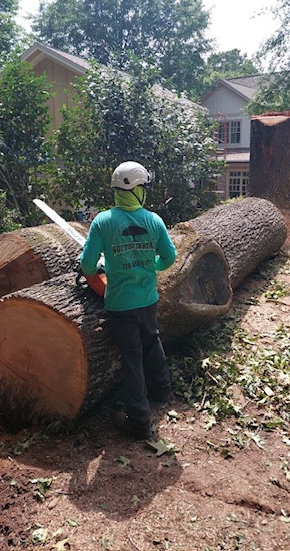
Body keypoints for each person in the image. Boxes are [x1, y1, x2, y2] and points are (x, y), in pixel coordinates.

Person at [80, 161, 177, 440]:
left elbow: (88, 266)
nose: (145, 191)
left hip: (120, 305)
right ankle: (162, 392)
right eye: (143, 187)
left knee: (132, 358)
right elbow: (169, 258)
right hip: (148, 300)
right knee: (152, 340)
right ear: (135, 190)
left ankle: (139, 420)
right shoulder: (154, 221)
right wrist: (151, 265)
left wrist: (96, 266)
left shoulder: (103, 222)